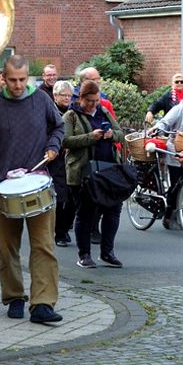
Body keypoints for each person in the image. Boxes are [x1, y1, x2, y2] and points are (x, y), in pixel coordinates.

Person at [0, 55, 64, 324]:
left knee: (43, 245)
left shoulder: (42, 100)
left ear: (29, 78)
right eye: (12, 80)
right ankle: (14, 296)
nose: (18, 85)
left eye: (22, 80)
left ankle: (43, 303)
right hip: (4, 184)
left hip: (37, 180)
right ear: (3, 78)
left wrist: (54, 146)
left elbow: (58, 125)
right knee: (9, 247)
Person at [63, 80, 125, 269]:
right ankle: (84, 255)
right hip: (82, 173)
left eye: (96, 100)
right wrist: (91, 137)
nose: (93, 104)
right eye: (90, 101)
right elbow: (65, 141)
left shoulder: (104, 112)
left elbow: (120, 134)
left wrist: (110, 135)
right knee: (85, 213)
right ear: (80, 98)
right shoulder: (70, 116)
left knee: (113, 211)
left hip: (108, 170)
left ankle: (107, 253)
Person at [151, 80, 183, 229]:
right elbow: (164, 122)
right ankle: (169, 215)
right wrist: (158, 129)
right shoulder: (179, 109)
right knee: (177, 185)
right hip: (176, 150)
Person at [49, 80, 76, 247]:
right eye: (63, 95)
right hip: (56, 159)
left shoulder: (74, 113)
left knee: (73, 197)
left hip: (72, 159)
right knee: (59, 197)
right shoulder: (50, 111)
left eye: (69, 95)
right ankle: (59, 232)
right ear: (55, 95)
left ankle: (65, 228)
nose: (67, 98)